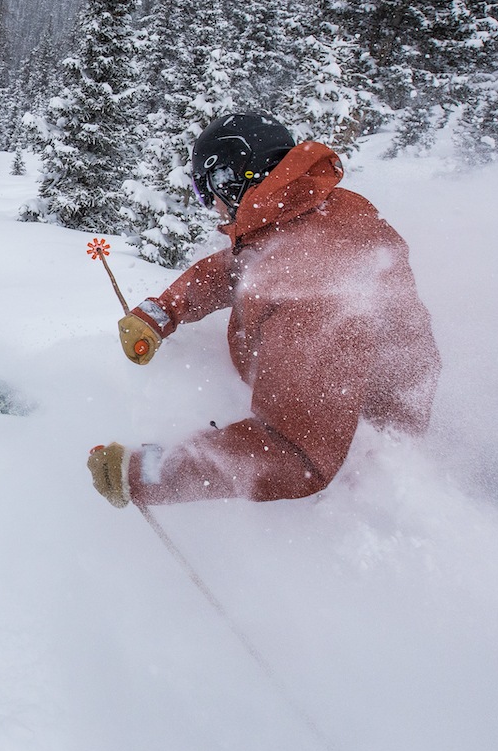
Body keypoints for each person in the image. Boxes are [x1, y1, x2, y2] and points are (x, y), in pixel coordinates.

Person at [87, 113, 440, 507]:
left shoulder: (316, 290)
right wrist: (161, 312)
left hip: (359, 474)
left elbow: (296, 456)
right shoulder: (308, 212)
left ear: (230, 179)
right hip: (322, 414)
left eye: (207, 192)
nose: (212, 207)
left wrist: (144, 472)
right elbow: (237, 269)